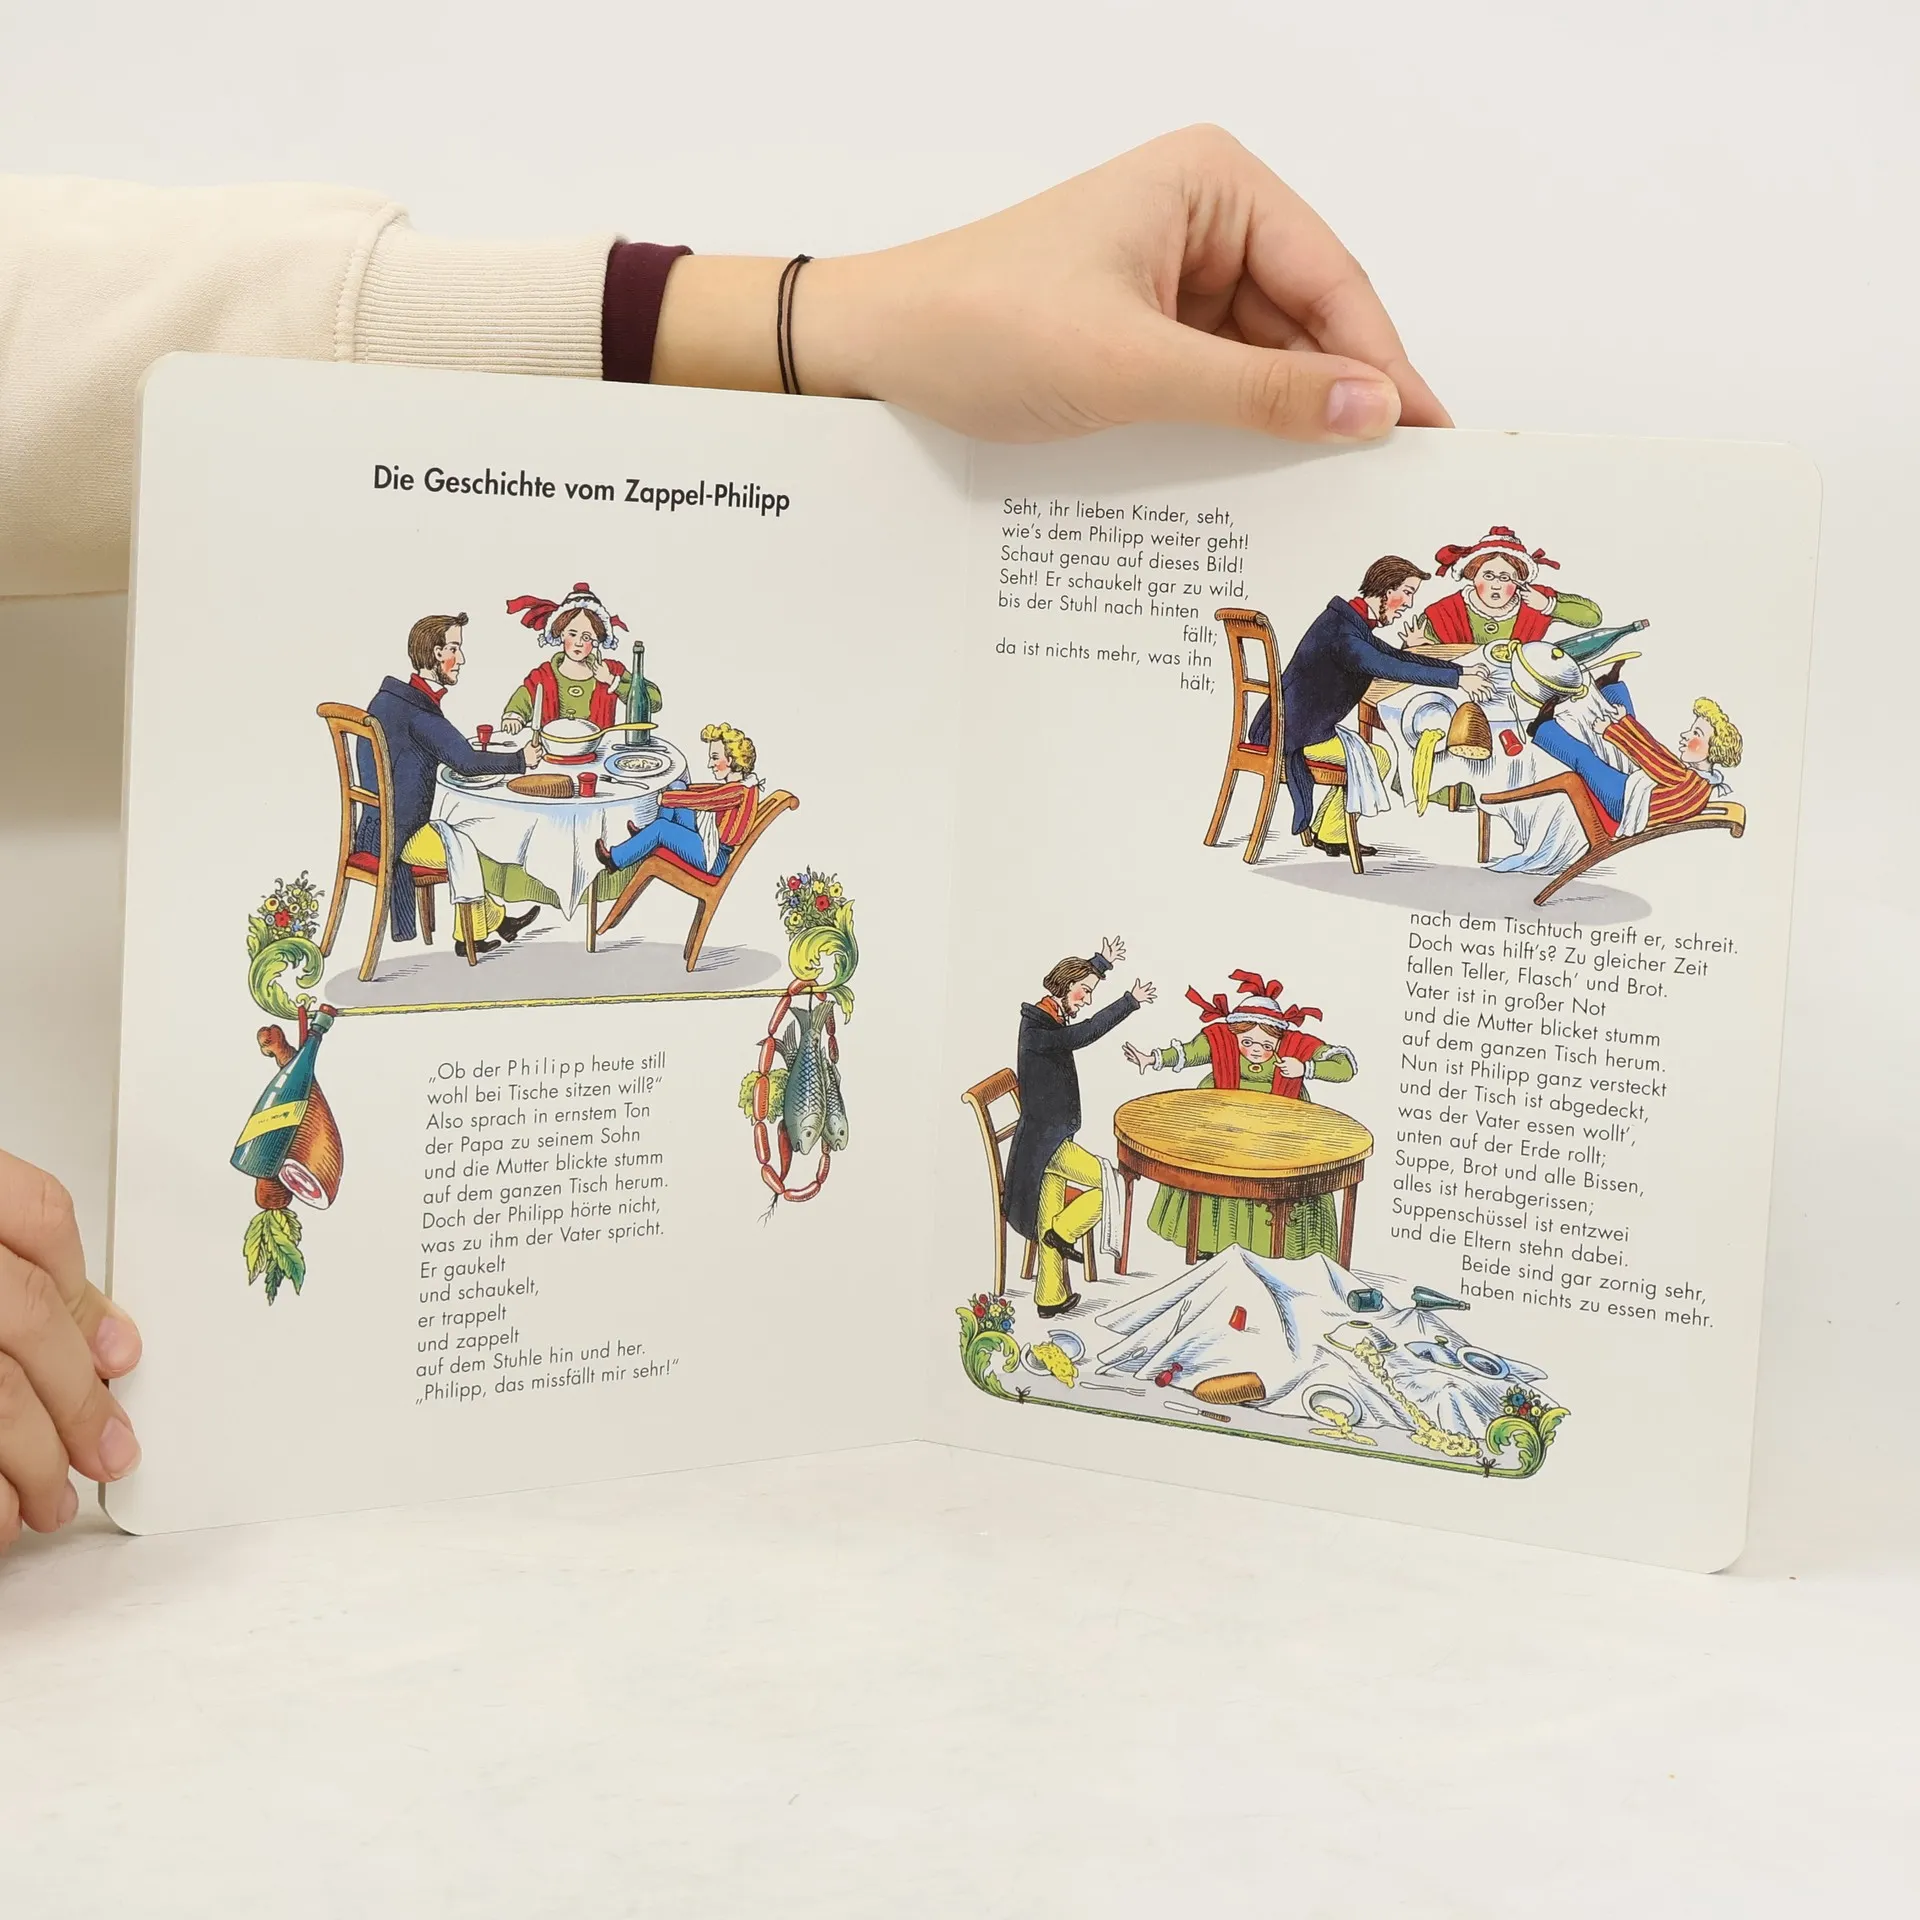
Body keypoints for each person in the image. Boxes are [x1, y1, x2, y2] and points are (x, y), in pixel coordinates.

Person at [0, 127, 1450, 1543]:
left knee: (585, 838)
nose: (569, 651)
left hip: (580, 795)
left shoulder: (603, 703)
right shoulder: (508, 692)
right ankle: (520, 923)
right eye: (553, 642)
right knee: (555, 844)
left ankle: (534, 920)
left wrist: (817, 320)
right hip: (521, 814)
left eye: (581, 641)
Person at [1247, 555, 1494, 856]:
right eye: (1407, 592)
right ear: (1386, 589)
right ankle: (1333, 832)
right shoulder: (1345, 635)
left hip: (1295, 729)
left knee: (1367, 754)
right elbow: (1391, 666)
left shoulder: (1348, 621)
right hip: (1291, 738)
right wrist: (1458, 681)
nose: (1408, 603)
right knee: (1377, 758)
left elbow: (1396, 656)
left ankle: (1329, 831)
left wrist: (1459, 671)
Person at [1121, 973, 1357, 1261]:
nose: (1256, 1050)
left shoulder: (1296, 1046)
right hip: (1222, 1128)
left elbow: (1344, 1066)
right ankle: (1209, 1242)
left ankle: (1272, 1249)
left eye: (1267, 1046)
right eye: (1248, 1042)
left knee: (1276, 1175)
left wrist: (1306, 1068)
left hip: (1277, 1134)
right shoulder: (1220, 1040)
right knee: (1212, 1173)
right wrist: (1152, 1059)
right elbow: (1189, 1053)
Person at [358, 612, 545, 959]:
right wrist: (521, 759)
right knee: (467, 846)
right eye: (455, 649)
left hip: (374, 828)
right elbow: (466, 761)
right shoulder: (419, 712)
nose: (461, 659)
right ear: (435, 654)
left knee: (462, 839)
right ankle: (470, 936)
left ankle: (493, 922)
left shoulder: (390, 699)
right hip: (399, 837)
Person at [1004, 941, 1155, 1320]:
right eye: (1084, 991)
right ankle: (1064, 1233)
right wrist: (1129, 1002)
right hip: (1047, 1145)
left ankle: (1050, 1297)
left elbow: (1078, 983)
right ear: (1065, 985)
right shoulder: (1039, 1029)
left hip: (1047, 1140)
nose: (1087, 999)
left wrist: (1100, 963)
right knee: (1113, 1184)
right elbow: (1085, 1033)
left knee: (1048, 1218)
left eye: (1090, 992)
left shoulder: (1049, 1016)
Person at [1528, 677, 1742, 844]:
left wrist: (1610, 730)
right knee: (1628, 727)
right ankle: (1611, 689)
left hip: (1623, 804)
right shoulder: (1699, 779)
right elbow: (1655, 749)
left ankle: (1541, 729)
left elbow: (1647, 756)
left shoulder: (1686, 780)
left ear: (1713, 751)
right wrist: (1625, 721)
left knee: (1585, 759)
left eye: (1696, 734)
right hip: (1636, 791)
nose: (1685, 735)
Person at [498, 582, 662, 740]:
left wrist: (612, 681)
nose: (578, 643)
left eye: (586, 637)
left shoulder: (611, 670)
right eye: (572, 634)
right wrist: (514, 717)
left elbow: (655, 702)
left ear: (596, 641)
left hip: (598, 750)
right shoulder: (544, 675)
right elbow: (524, 698)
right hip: (552, 749)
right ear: (561, 633)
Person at [595, 723, 759, 879]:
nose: (710, 764)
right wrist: (680, 791)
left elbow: (704, 800)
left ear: (730, 760)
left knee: (661, 827)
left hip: (711, 857)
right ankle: (647, 837)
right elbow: (711, 791)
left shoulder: (737, 792)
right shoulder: (743, 786)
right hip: (706, 842)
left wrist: (666, 799)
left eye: (715, 758)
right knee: (677, 786)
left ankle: (614, 860)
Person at [1417, 526, 1605, 655]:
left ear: (1519, 580)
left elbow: (1593, 617)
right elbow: (1417, 657)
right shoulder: (1445, 611)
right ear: (1473, 575)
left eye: (1505, 577)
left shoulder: (1533, 599)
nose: (1496, 584)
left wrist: (1549, 606)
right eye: (1488, 576)